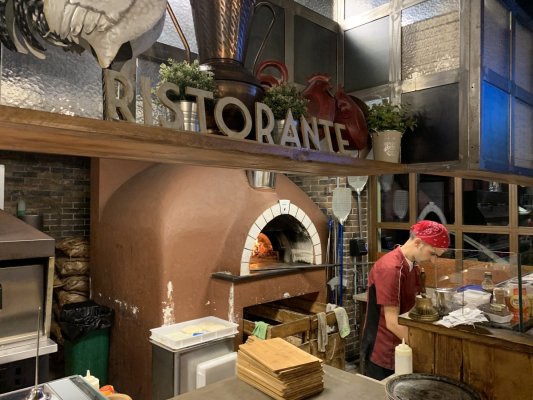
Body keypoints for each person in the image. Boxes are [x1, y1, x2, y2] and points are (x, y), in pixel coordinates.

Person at [361, 220, 449, 380]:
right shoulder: (390, 268)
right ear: (418, 243)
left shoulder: (413, 264)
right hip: (384, 349)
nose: (433, 261)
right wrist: (424, 348)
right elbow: (392, 322)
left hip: (402, 343)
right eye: (433, 254)